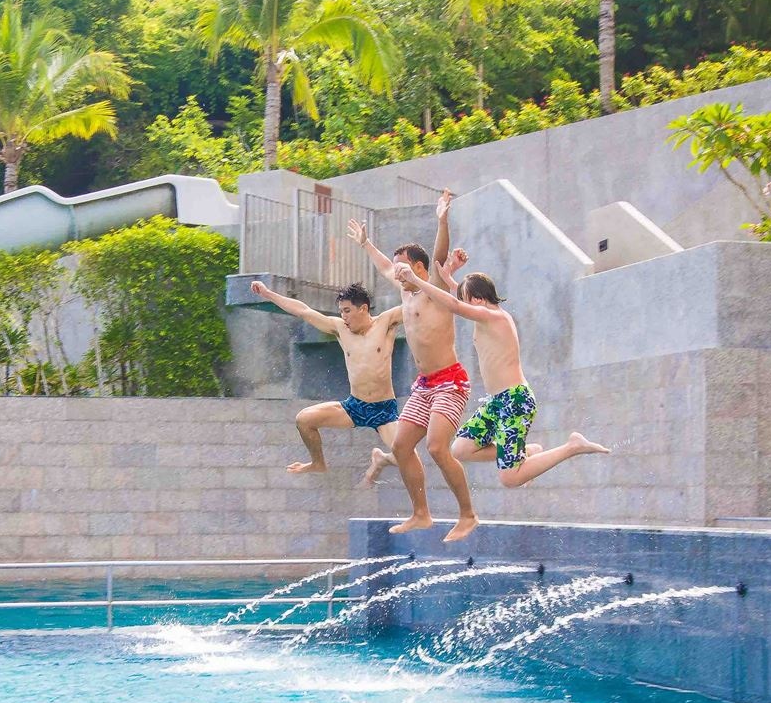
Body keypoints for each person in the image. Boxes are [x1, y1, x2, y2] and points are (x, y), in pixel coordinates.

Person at [391, 263, 610, 486]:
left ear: (478, 299)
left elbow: (455, 305)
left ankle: (572, 446)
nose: (465, 305)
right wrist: (448, 279)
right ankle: (526, 452)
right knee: (460, 449)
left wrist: (417, 281)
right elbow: (462, 300)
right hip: (496, 402)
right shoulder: (486, 314)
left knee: (510, 478)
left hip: (515, 400)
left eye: (467, 300)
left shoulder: (495, 317)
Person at [347, 189, 480, 540]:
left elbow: (438, 256)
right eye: (398, 268)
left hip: (450, 382)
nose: (397, 273)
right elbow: (384, 266)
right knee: (401, 447)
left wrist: (442, 221)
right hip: (425, 385)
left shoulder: (432, 285)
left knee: (437, 447)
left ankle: (468, 515)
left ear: (420, 268)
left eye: (403, 267)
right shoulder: (405, 290)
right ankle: (421, 514)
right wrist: (366, 244)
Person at [248, 280, 401, 474]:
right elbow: (303, 311)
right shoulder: (339, 328)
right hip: (355, 406)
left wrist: (426, 277)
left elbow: (418, 304)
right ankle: (318, 463)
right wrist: (268, 294)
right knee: (304, 420)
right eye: (341, 311)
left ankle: (381, 460)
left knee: (404, 457)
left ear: (363, 308)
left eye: (347, 311)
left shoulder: (385, 322)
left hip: (384, 410)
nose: (343, 316)